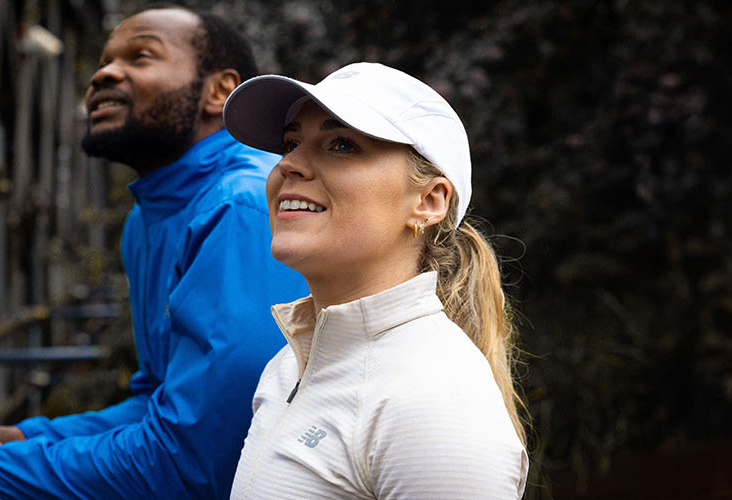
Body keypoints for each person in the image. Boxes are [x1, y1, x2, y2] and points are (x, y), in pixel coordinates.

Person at [0, 6, 308, 500]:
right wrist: (11, 439)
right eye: (104, 61)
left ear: (219, 92)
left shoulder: (240, 205)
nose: (104, 74)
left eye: (140, 56)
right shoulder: (150, 218)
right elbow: (158, 400)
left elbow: (205, 456)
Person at [218, 62, 528, 498]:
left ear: (428, 201)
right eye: (291, 143)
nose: (289, 164)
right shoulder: (286, 367)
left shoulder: (438, 402)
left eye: (341, 144)